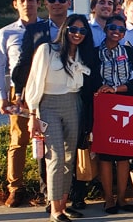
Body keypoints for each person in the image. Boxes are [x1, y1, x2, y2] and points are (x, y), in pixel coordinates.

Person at [24, 14, 97, 222]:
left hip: (74, 104)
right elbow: (34, 83)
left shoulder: (82, 55)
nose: (77, 34)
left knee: (69, 158)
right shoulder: (47, 50)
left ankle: (63, 205)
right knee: (55, 157)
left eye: (82, 31)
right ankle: (54, 208)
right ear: (65, 29)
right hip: (49, 105)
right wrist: (32, 114)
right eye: (73, 29)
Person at [11, 0, 72, 208]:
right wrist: (20, 93)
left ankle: (68, 196)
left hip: (71, 96)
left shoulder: (77, 27)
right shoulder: (35, 31)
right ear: (45, 3)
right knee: (47, 149)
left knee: (69, 149)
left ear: (69, 2)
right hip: (43, 98)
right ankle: (49, 196)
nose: (57, 3)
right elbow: (23, 64)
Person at [0, 0, 40, 207]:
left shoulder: (48, 29)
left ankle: (47, 187)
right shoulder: (7, 32)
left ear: (38, 2)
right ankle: (15, 188)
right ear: (15, 3)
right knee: (19, 141)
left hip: (45, 90)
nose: (27, 4)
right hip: (19, 93)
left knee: (47, 139)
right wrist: (2, 96)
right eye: (22, 0)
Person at [94, 15, 133, 214]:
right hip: (102, 108)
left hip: (125, 106)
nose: (117, 31)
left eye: (121, 29)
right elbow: (88, 78)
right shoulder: (94, 53)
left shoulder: (131, 53)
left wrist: (117, 89)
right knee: (105, 156)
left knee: (123, 156)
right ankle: (108, 199)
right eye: (113, 27)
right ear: (106, 28)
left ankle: (122, 198)